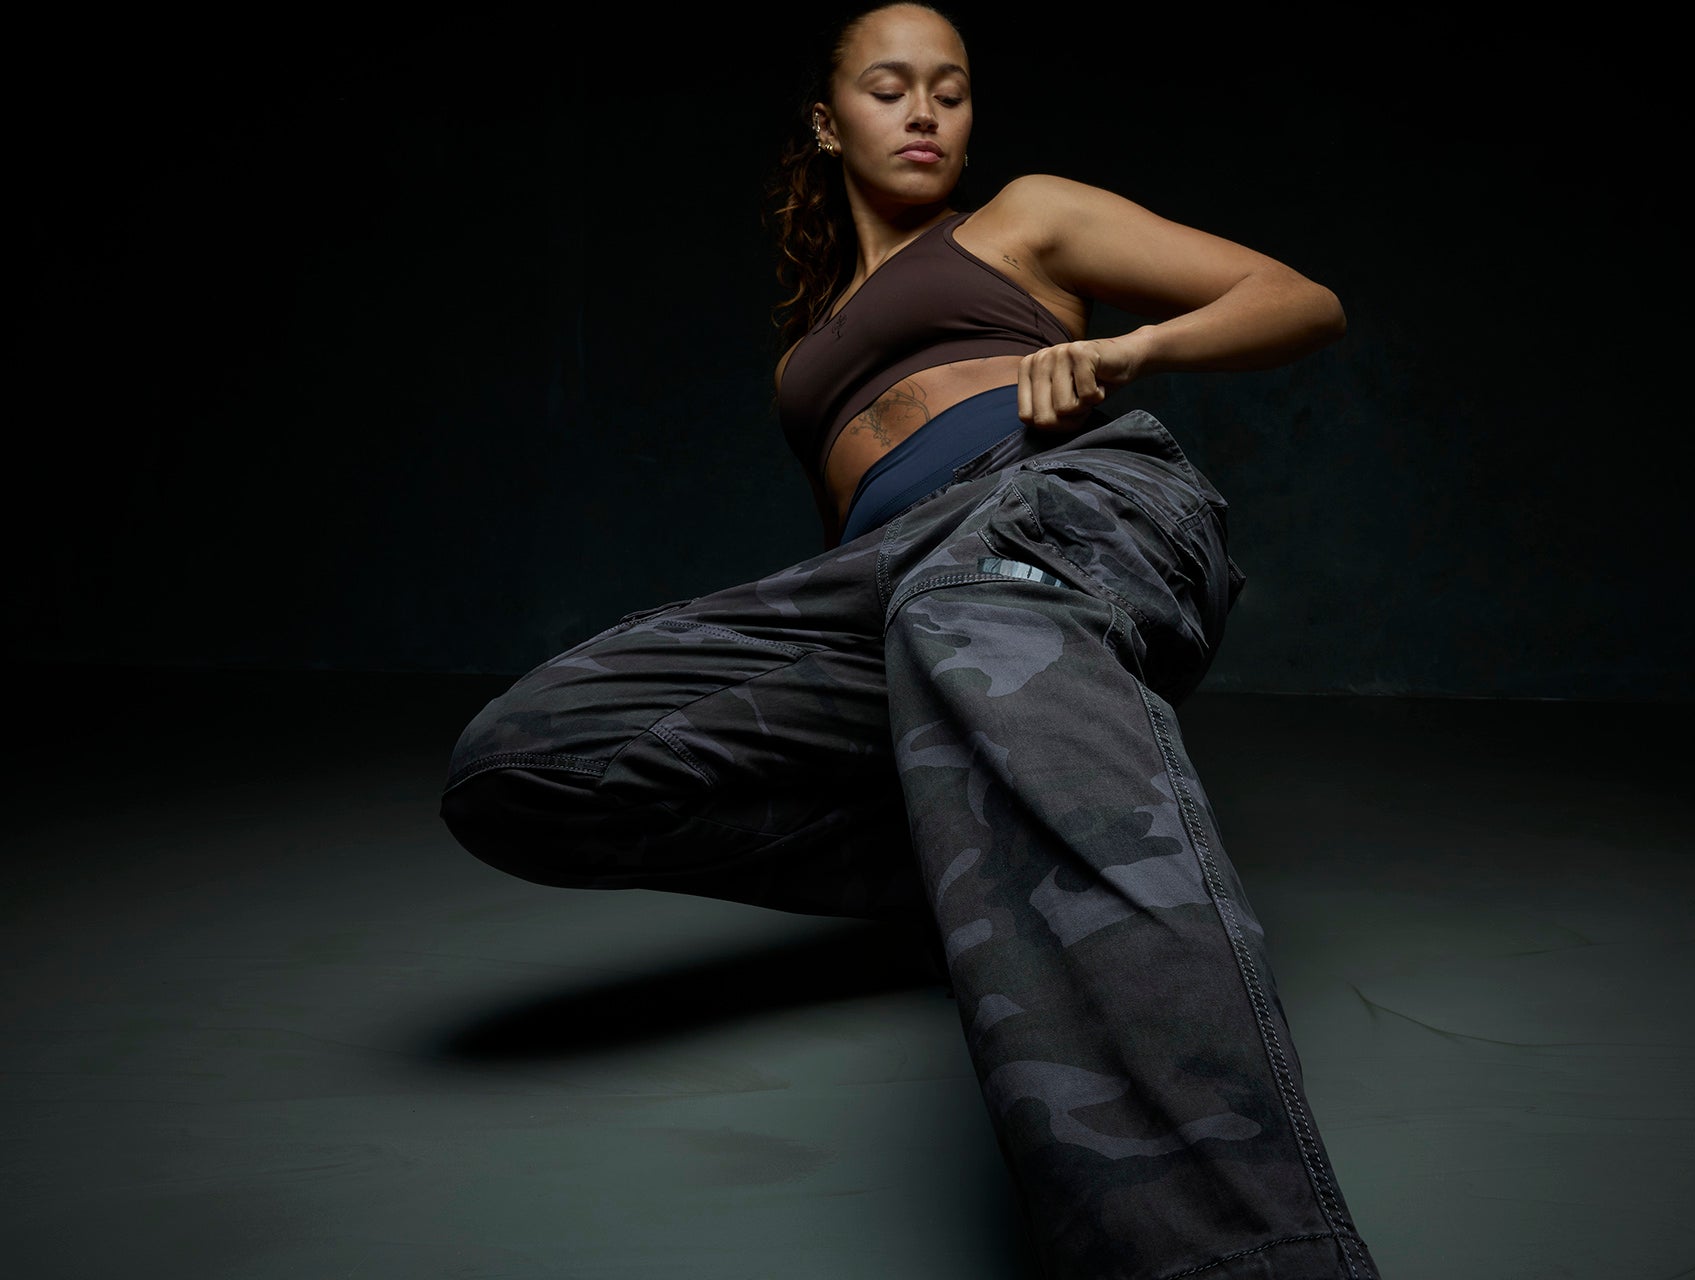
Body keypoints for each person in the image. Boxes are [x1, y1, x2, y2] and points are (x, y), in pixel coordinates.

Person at [439, 4, 1380, 1277]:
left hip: (1050, 502)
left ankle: (1238, 1254)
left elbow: (1302, 301)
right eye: (890, 88)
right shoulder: (807, 342)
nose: (926, 109)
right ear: (829, 123)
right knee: (524, 757)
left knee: (962, 610)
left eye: (951, 87)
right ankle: (969, 845)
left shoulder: (1023, 218)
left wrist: (1129, 347)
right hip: (880, 584)